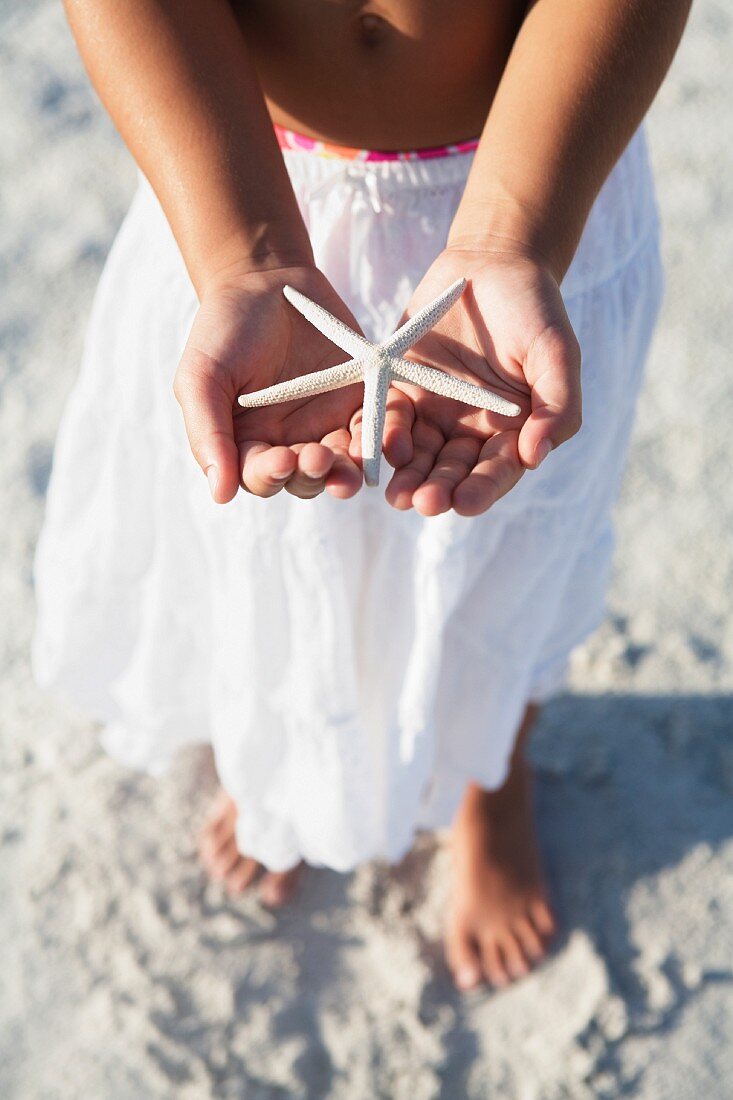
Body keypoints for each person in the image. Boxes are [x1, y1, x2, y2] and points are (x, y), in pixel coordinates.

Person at [33, 0, 690, 991]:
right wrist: (241, 257)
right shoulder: (243, 241)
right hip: (248, 195)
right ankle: (282, 769)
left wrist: (512, 239)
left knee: (506, 544)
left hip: (530, 201)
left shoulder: (521, 236)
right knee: (260, 540)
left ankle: (488, 780)